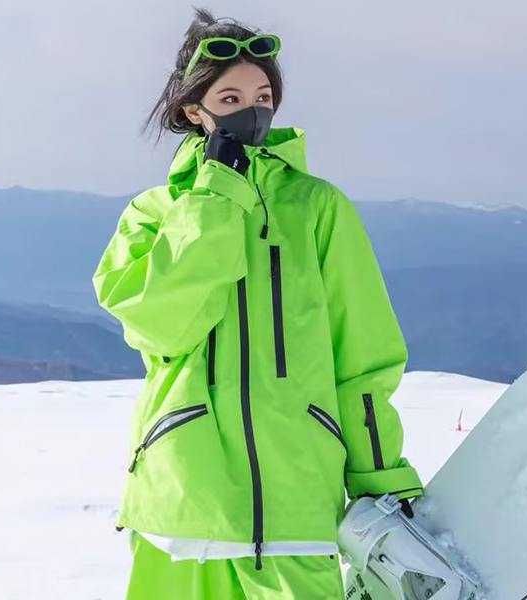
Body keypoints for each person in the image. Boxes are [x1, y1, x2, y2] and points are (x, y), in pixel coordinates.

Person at [91, 7, 424, 600]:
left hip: (297, 496)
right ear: (194, 111)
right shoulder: (153, 214)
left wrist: (382, 479)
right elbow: (163, 327)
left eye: (263, 96)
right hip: (182, 503)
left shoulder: (316, 207)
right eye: (231, 98)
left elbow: (362, 358)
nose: (253, 111)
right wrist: (216, 195)